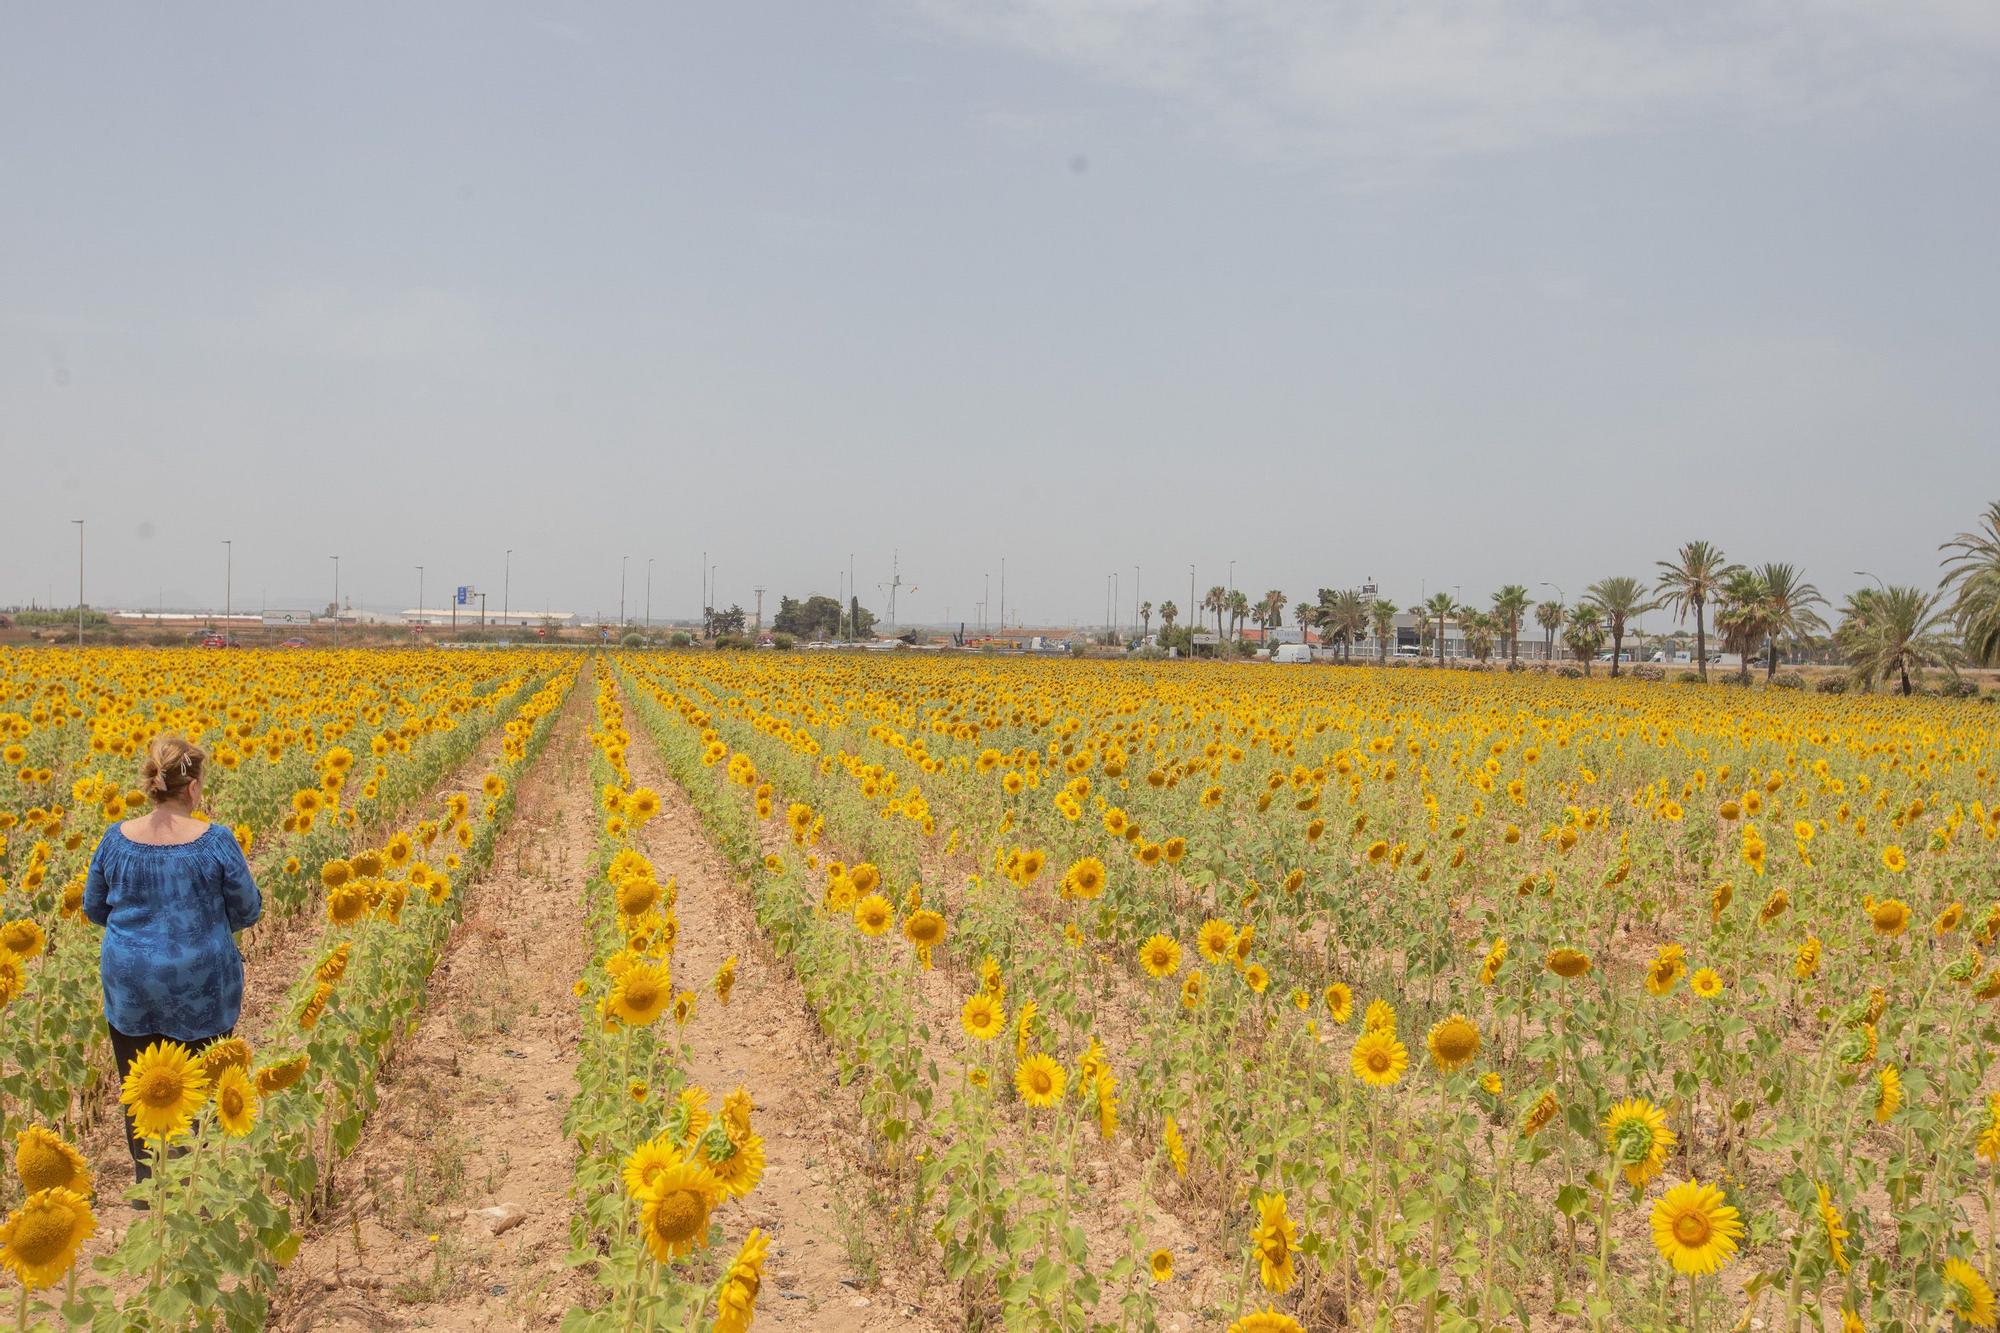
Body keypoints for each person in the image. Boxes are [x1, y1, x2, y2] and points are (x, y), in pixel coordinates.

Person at [83, 734, 262, 1187]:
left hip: (132, 986)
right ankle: (197, 1198)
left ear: (155, 784)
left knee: (142, 1094)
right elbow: (248, 910)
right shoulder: (216, 842)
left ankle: (153, 1195)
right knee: (202, 1094)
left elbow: (94, 908)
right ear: (194, 788)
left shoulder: (115, 840)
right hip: (201, 988)